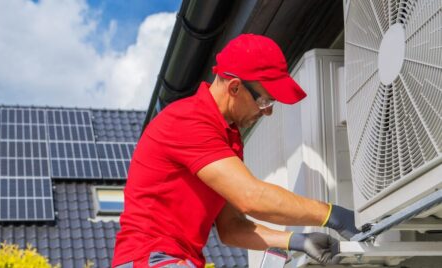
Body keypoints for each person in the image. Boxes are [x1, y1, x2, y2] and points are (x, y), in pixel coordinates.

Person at [112, 33, 359, 268]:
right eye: (264, 100)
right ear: (234, 88)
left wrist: (297, 241)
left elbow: (231, 227)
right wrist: (331, 214)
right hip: (150, 258)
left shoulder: (228, 137)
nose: (268, 111)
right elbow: (252, 198)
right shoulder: (189, 121)